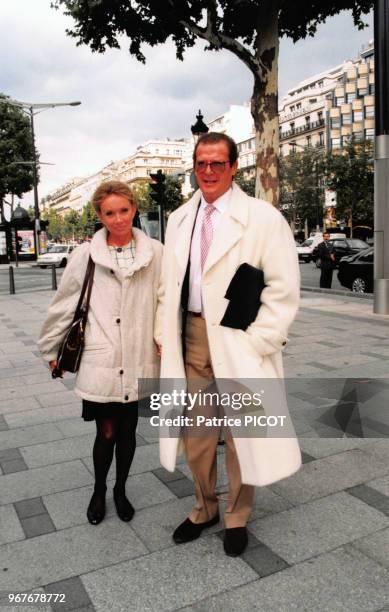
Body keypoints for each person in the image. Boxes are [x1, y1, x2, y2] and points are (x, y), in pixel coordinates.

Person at [155, 132, 301, 557]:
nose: (209, 172)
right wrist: (165, 335)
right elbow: (169, 284)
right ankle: (204, 507)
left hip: (239, 339)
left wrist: (261, 341)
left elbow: (283, 288)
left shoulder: (262, 217)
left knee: (243, 434)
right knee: (197, 434)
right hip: (191, 337)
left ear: (235, 167)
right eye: (201, 164)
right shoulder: (180, 218)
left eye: (218, 163)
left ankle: (237, 514)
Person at [38, 180, 162, 525]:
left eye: (124, 210)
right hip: (101, 357)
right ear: (99, 215)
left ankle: (120, 489)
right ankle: (99, 490)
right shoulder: (85, 255)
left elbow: (166, 302)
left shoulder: (156, 253)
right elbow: (64, 305)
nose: (118, 219)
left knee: (128, 431)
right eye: (110, 213)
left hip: (139, 355)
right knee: (106, 431)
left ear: (134, 209)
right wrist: (51, 347)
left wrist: (165, 338)